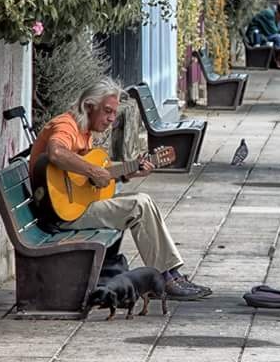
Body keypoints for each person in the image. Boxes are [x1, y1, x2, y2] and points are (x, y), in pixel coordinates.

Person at [29, 77, 212, 300]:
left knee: (143, 202)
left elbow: (96, 173)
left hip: (72, 208)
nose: (111, 119)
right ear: (88, 106)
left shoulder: (84, 132)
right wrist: (93, 171)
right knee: (139, 204)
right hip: (59, 215)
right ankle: (165, 278)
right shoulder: (67, 125)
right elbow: (56, 153)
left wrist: (131, 170)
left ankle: (171, 273)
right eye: (107, 111)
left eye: (114, 113)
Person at [246, 4, 280, 68]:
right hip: (256, 36)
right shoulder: (269, 14)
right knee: (279, 38)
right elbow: (273, 31)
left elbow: (278, 29)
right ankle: (276, 61)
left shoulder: (275, 17)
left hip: (263, 35)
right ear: (278, 14)